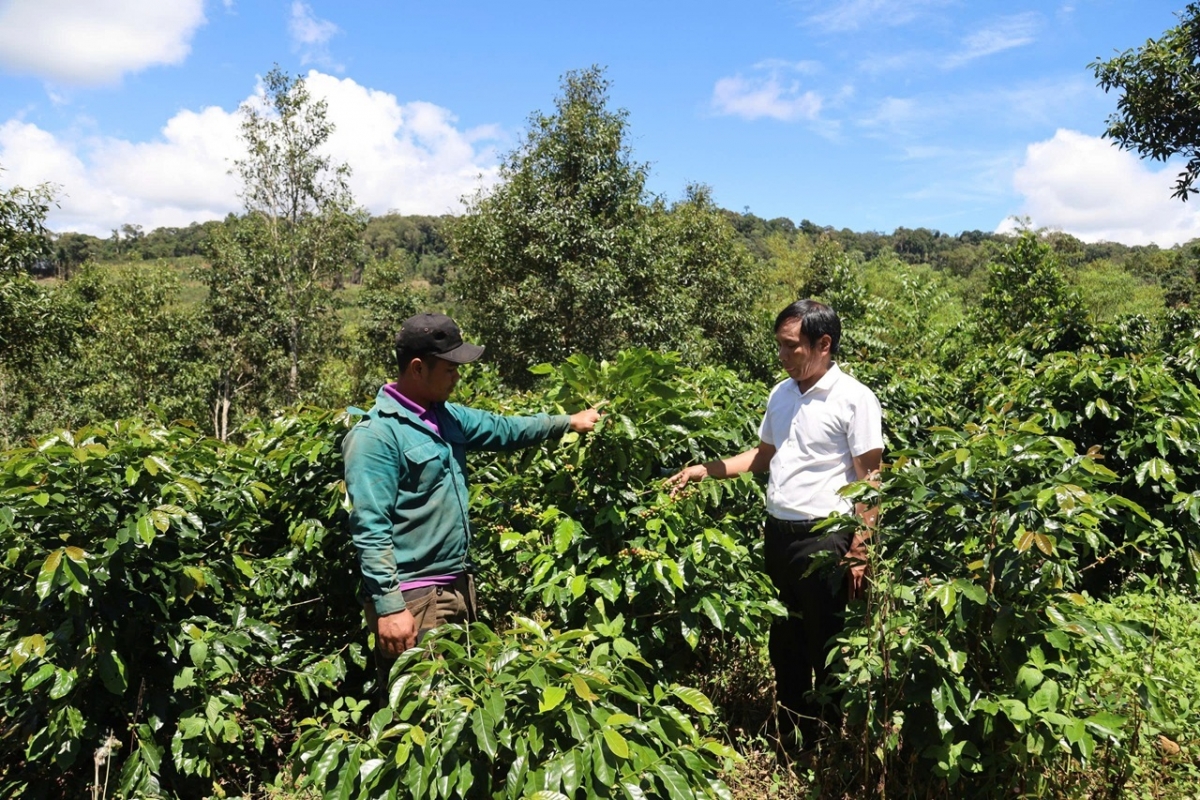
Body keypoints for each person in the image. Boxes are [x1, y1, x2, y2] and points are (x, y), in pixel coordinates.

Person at [342, 312, 600, 697]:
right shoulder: (376, 437)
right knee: (427, 717)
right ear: (417, 368)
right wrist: (390, 607)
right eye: (449, 369)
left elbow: (506, 429)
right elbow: (370, 529)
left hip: (458, 588)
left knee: (466, 705)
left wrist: (568, 422)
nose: (457, 377)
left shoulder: (446, 418)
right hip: (416, 599)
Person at [665, 299, 882, 750]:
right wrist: (707, 469)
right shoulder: (781, 393)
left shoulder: (854, 399)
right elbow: (764, 456)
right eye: (779, 346)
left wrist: (861, 550)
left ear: (824, 344)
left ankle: (830, 740)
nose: (782, 356)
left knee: (825, 641)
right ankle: (793, 731)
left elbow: (870, 480)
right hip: (778, 534)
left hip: (826, 536)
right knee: (785, 639)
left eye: (790, 347)